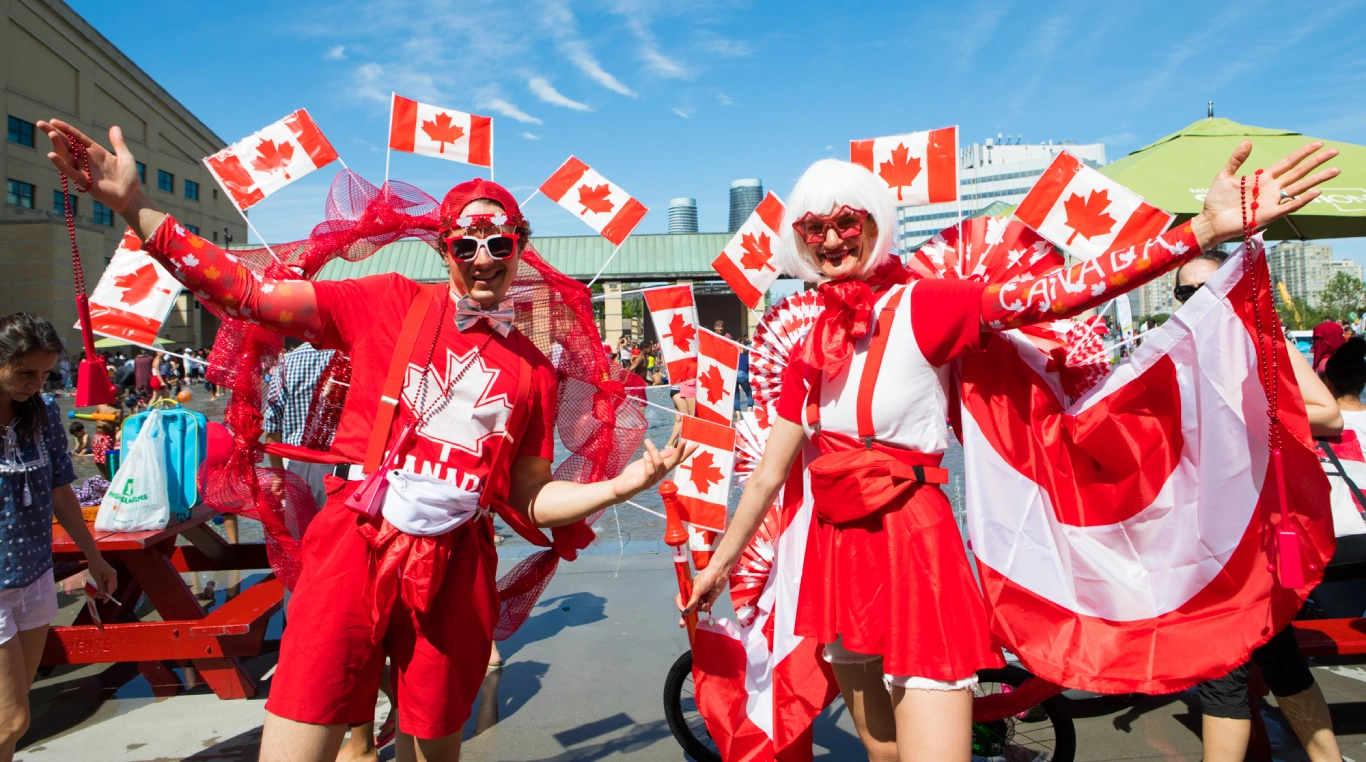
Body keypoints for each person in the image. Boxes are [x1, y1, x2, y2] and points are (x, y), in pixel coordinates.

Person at [39, 118, 695, 762]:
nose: (484, 258)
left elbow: (527, 495)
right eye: (466, 244)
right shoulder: (389, 302)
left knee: (436, 743)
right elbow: (249, 294)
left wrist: (622, 484)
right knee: (302, 727)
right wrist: (136, 207)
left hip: (455, 566)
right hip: (353, 545)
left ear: (521, 246)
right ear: (444, 249)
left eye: (500, 242)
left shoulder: (533, 365)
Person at [684, 141, 1338, 761]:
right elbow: (771, 473)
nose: (830, 240)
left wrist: (1199, 233)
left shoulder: (925, 305)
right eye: (813, 229)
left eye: (846, 222)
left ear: (874, 223)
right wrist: (722, 563)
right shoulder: (809, 346)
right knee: (881, 751)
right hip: (836, 548)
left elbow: (1064, 291)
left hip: (913, 540)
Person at [1175, 253, 1348, 762]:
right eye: (1188, 292)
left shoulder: (1264, 347)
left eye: (1213, 287)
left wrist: (1242, 412)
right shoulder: (1169, 357)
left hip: (1257, 534)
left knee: (1223, 666)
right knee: (1277, 657)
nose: (1201, 299)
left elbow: (1329, 415)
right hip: (1203, 534)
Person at [0, 313, 117, 762]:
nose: (36, 383)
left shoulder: (44, 412)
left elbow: (61, 493)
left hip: (34, 577)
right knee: (12, 719)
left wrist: (95, 557)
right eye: (26, 372)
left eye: (46, 373)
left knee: (11, 719)